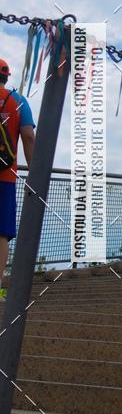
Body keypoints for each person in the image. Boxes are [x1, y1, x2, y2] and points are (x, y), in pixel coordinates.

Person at [0, 59, 36, 299]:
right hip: (5, 176)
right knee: (1, 234)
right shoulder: (18, 100)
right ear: (7, 76)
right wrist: (35, 171)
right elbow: (28, 136)